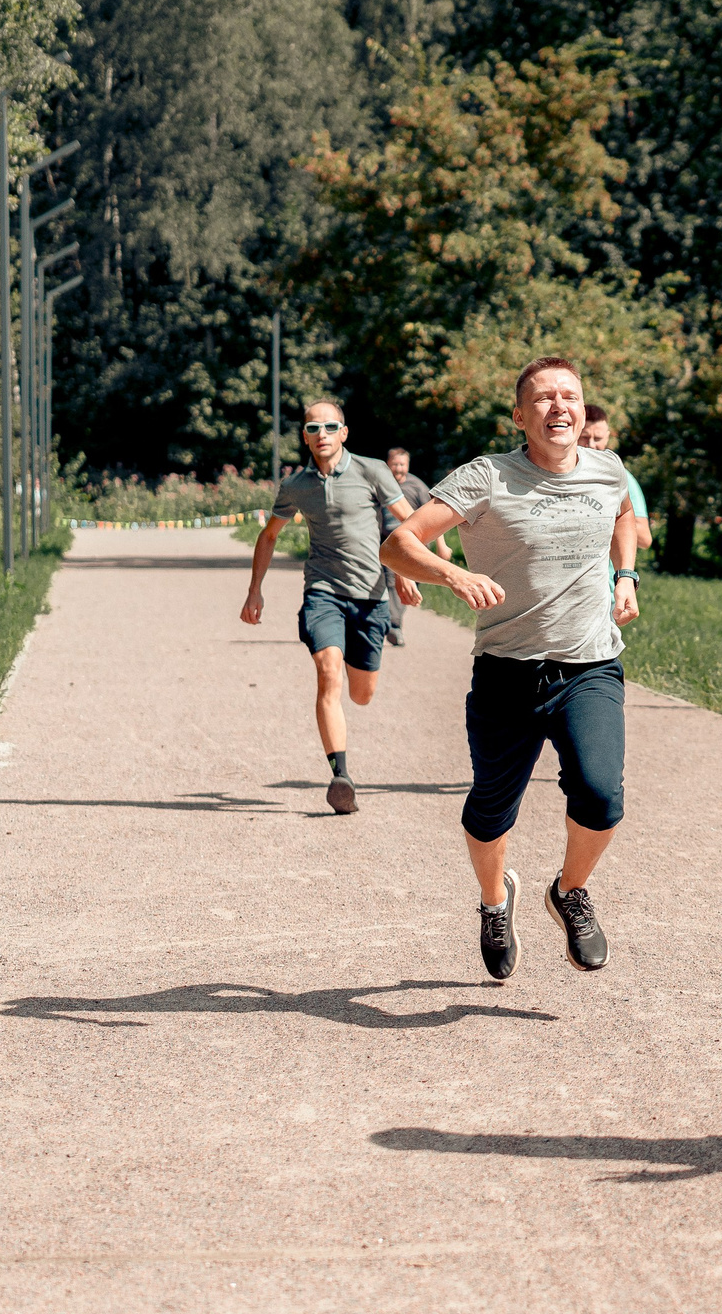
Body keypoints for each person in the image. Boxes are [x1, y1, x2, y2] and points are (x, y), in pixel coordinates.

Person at [383, 357, 639, 983]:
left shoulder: (609, 471)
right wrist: (454, 574)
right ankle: (495, 902)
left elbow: (623, 513)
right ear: (520, 416)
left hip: (589, 666)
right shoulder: (487, 478)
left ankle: (569, 892)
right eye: (544, 399)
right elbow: (399, 544)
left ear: (584, 409)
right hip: (506, 671)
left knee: (602, 797)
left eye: (570, 396)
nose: (560, 407)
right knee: (492, 807)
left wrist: (625, 575)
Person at [242, 399, 417, 815]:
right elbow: (268, 537)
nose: (321, 435)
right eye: (313, 429)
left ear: (344, 432)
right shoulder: (297, 485)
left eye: (329, 427)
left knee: (362, 694)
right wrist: (254, 590)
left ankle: (361, 689)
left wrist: (407, 571)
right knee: (327, 674)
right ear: (304, 436)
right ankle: (341, 776)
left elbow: (410, 520)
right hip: (322, 591)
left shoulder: (371, 470)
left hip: (371, 596)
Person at [380, 446, 449, 648]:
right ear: (388, 465)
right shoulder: (381, 485)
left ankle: (392, 621)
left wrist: (441, 546)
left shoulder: (416, 486)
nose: (399, 468)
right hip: (387, 542)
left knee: (413, 583)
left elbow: (436, 515)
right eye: (395, 464)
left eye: (402, 464)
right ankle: (393, 625)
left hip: (416, 544)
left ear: (408, 466)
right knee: (391, 582)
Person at [580, 405, 653, 573]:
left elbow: (644, 538)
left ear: (607, 437)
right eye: (584, 437)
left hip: (609, 593)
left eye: (597, 438)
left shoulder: (620, 477)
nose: (591, 445)